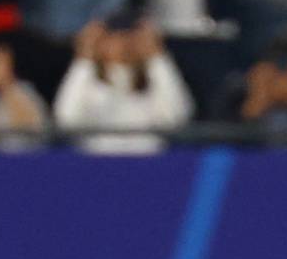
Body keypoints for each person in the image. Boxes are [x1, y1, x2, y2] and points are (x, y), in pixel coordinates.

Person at [54, 15, 196, 155]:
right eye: (112, 37)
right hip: (96, 163)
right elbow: (67, 120)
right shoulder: (87, 81)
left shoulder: (156, 80)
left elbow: (177, 119)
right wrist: (84, 60)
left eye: (130, 36)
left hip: (148, 163)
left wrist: (157, 58)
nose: (122, 43)